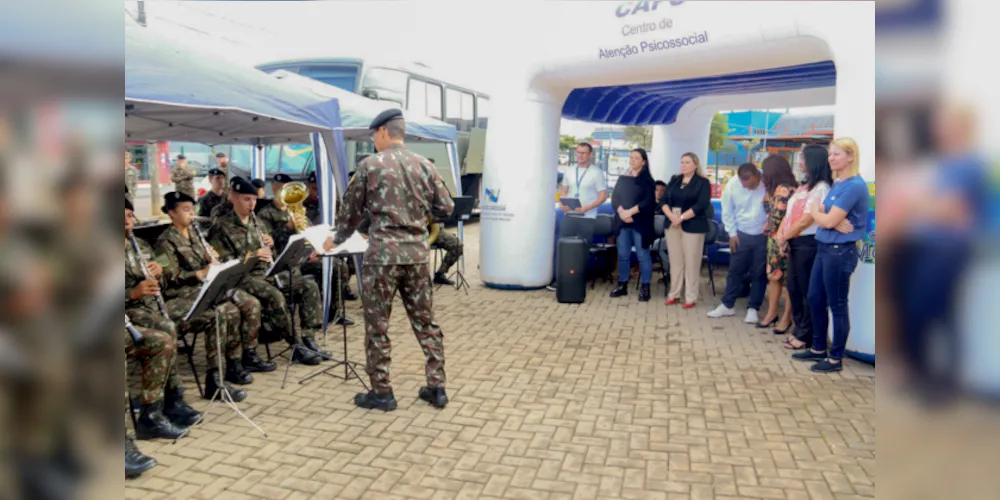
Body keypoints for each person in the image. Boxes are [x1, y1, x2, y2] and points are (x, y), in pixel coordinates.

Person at [326, 109, 454, 411]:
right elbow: (447, 207)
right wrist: (418, 220)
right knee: (425, 322)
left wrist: (337, 239)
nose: (373, 140)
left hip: (382, 256)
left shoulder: (370, 165)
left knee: (378, 325)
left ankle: (382, 392)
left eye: (373, 135)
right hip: (417, 255)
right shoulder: (424, 165)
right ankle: (436, 387)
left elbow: (351, 213)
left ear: (383, 132)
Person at [156, 191, 275, 391]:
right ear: (171, 213)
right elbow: (167, 279)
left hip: (204, 287)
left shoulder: (195, 235)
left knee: (239, 308)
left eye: (192, 209)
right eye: (185, 210)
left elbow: (216, 258)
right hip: (182, 293)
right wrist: (198, 273)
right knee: (223, 312)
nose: (191, 214)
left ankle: (235, 361)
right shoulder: (165, 241)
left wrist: (212, 259)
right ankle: (215, 374)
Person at [207, 177, 325, 366]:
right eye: (246, 199)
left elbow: (273, 254)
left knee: (308, 286)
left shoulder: (258, 223)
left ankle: (308, 337)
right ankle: (296, 345)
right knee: (275, 296)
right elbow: (223, 263)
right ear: (233, 198)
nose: (251, 204)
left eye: (253, 199)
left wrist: (271, 246)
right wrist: (252, 254)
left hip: (266, 273)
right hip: (244, 278)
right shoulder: (222, 227)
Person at [792, 137, 871, 373]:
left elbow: (823, 215)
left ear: (850, 157)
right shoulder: (838, 184)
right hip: (824, 247)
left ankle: (835, 358)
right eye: (830, 154)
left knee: (837, 304)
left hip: (839, 252)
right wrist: (827, 219)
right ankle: (818, 348)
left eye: (836, 154)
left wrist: (823, 216)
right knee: (815, 297)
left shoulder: (854, 186)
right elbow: (825, 216)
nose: (831, 159)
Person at [125, 198, 200, 439]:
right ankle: (162, 405)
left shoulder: (143, 245)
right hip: (129, 309)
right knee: (165, 333)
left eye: (130, 215)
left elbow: (166, 279)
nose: (128, 221)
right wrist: (132, 293)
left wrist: (160, 271)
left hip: (149, 306)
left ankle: (171, 400)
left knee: (167, 328)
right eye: (123, 216)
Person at [260, 173, 356, 325]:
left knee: (338, 266)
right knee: (313, 281)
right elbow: (270, 241)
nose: (282, 192)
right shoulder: (265, 214)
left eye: (285, 188)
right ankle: (313, 320)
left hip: (304, 257)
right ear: (273, 189)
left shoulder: (297, 210)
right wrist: (288, 228)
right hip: (285, 263)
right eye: (279, 188)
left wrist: (315, 250)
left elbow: (310, 231)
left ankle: (335, 311)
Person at [774, 145, 832, 350]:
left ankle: (807, 335)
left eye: (803, 158)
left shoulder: (822, 187)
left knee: (808, 290)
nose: (799, 162)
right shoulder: (804, 186)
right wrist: (782, 236)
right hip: (794, 242)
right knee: (794, 288)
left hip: (809, 243)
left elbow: (808, 218)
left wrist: (786, 236)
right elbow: (790, 215)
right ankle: (800, 330)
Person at [707, 163, 768, 323]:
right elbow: (727, 210)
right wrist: (732, 234)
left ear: (757, 176)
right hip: (740, 234)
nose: (748, 188)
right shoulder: (733, 184)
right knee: (735, 271)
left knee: (759, 273)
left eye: (752, 185)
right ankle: (728, 305)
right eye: (745, 185)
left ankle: (753, 308)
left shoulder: (768, 180)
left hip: (763, 234)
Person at [660, 152, 712, 308]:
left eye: (687, 162)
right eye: (682, 162)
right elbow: (663, 200)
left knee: (691, 262)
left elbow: (701, 204)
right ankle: (674, 294)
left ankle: (690, 297)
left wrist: (681, 218)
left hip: (692, 225)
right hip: (672, 224)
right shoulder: (674, 180)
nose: (683, 165)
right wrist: (671, 217)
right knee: (675, 261)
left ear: (695, 165)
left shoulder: (702, 182)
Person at [609, 148, 657, 301]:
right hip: (623, 222)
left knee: (643, 255)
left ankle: (645, 286)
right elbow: (615, 198)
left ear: (644, 161)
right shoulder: (622, 178)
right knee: (623, 254)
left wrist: (631, 212)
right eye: (631, 157)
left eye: (636, 158)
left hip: (640, 222)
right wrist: (622, 212)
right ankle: (622, 284)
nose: (633, 160)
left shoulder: (648, 181)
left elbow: (648, 201)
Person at [757, 155, 799, 332]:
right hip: (775, 239)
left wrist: (768, 229)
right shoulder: (775, 189)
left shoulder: (784, 190)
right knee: (774, 277)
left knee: (787, 280)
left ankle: (785, 318)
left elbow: (777, 216)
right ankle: (772, 314)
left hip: (784, 239)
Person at [424, 158, 464, 286]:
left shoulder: (437, 183)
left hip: (435, 228)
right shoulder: (415, 183)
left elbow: (446, 205)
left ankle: (440, 274)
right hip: (417, 228)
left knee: (457, 245)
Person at [559, 143, 608, 218]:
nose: (580, 155)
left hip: (588, 216)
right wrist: (562, 204)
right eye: (578, 152)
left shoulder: (597, 172)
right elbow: (564, 190)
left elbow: (603, 196)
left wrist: (588, 208)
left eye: (583, 153)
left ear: (590, 155)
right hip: (569, 215)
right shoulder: (568, 170)